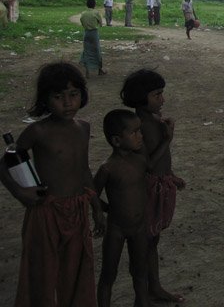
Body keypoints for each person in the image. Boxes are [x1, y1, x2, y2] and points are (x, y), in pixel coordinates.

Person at [0, 62, 105, 306]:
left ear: (82, 95)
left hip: (77, 210)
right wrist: (20, 193)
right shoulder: (37, 132)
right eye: (58, 97)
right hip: (46, 212)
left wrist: (96, 208)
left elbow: (83, 170)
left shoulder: (83, 128)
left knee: (76, 270)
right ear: (46, 100)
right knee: (42, 273)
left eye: (73, 94)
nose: (68, 103)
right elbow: (4, 164)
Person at [120, 69, 186, 304]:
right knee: (144, 244)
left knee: (152, 241)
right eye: (157, 94)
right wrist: (167, 140)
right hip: (148, 190)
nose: (162, 99)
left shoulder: (153, 120)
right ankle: (144, 292)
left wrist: (170, 175)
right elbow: (147, 164)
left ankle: (154, 287)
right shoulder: (140, 126)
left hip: (159, 185)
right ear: (141, 97)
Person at [94, 109, 151, 307]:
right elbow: (92, 194)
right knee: (109, 274)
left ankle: (142, 303)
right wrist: (104, 211)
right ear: (117, 141)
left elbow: (155, 169)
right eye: (134, 132)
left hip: (139, 227)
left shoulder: (140, 160)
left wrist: (167, 139)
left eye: (140, 131)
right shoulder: (108, 168)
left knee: (140, 271)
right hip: (116, 228)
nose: (140, 136)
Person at [79, 0, 107, 77]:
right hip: (94, 33)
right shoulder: (96, 12)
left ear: (87, 5)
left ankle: (87, 71)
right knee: (97, 51)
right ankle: (99, 70)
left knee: (87, 51)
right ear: (94, 5)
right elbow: (100, 24)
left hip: (86, 33)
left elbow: (82, 22)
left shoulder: (83, 13)